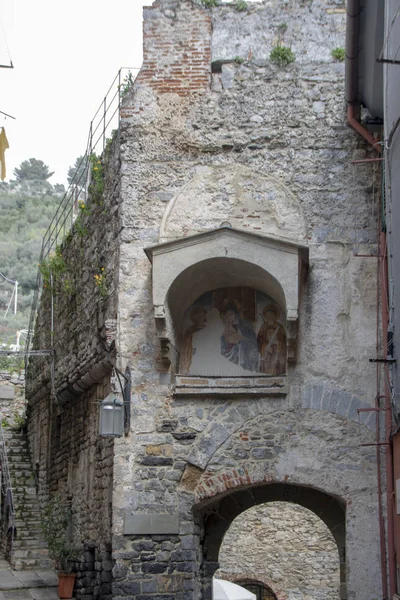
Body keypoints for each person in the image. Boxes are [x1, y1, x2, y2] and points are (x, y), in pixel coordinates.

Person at [257, 304, 286, 375]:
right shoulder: (263, 327)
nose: (269, 317)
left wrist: (277, 343)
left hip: (277, 351)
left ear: (275, 316)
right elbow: (258, 341)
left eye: (271, 315)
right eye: (267, 315)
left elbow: (284, 342)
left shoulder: (280, 328)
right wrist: (264, 347)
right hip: (266, 351)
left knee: (276, 365)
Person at [179, 305, 207, 374]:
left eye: (202, 316)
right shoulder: (190, 330)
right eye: (198, 317)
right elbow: (186, 344)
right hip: (193, 353)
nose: (201, 318)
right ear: (195, 319)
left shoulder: (207, 328)